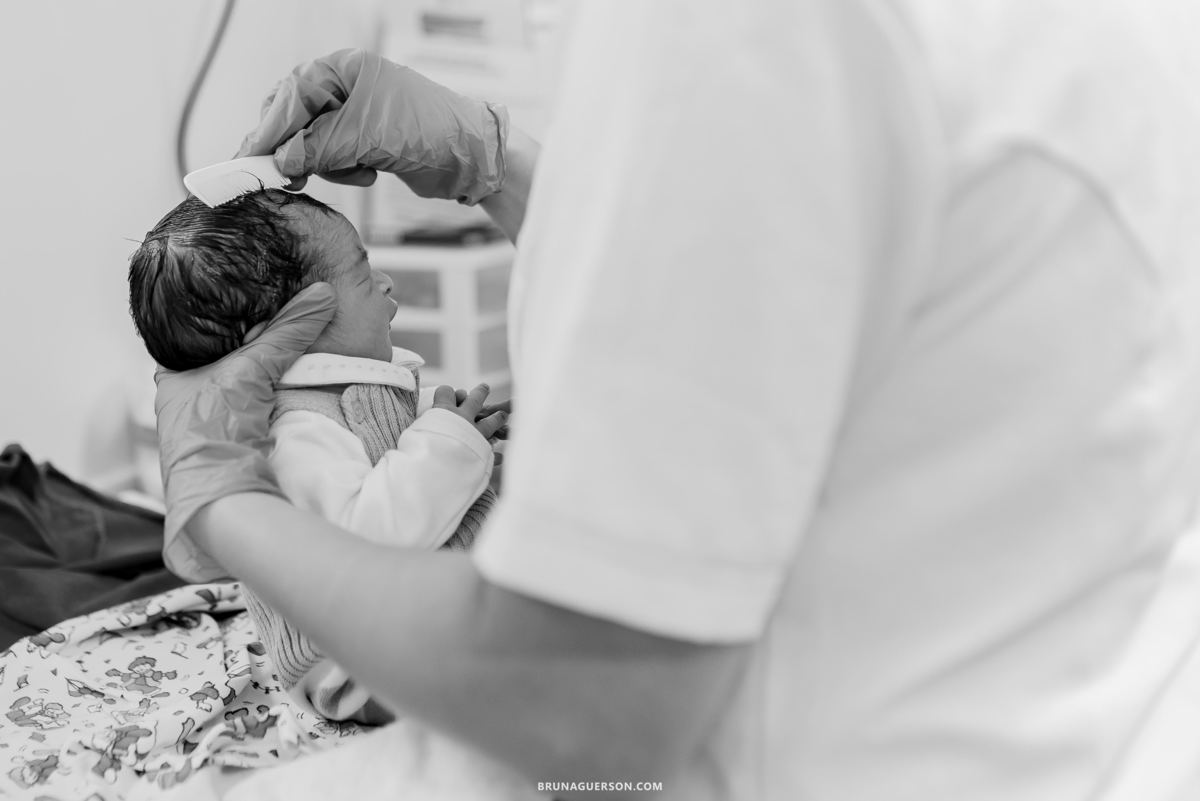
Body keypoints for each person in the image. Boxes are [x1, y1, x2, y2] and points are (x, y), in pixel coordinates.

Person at [151, 2, 1200, 799]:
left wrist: (222, 502)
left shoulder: (742, 32)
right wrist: (500, 166)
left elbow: (587, 703)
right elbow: (760, 292)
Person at [129, 191, 506, 723]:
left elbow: (381, 452)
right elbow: (364, 542)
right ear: (293, 326)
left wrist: (453, 429)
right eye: (362, 271)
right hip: (366, 668)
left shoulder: (344, 396)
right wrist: (445, 443)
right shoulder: (298, 427)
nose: (385, 282)